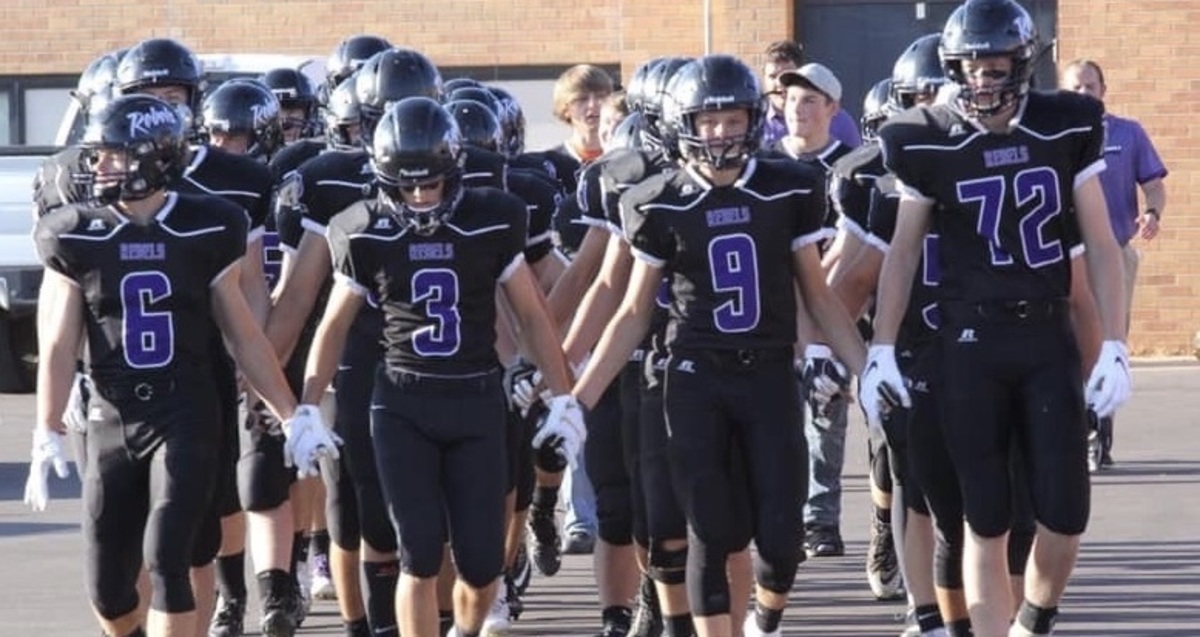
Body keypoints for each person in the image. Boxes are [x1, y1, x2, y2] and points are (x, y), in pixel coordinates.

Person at [575, 54, 866, 637]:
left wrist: (865, 367)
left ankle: (766, 614)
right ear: (685, 124)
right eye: (708, 121)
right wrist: (575, 400)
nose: (720, 133)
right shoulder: (657, 198)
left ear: (754, 120)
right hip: (693, 378)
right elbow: (633, 312)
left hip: (767, 375)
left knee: (782, 539)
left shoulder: (791, 185)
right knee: (710, 528)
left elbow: (818, 295)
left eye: (732, 120)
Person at [26, 93, 336, 637]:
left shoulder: (207, 224)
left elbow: (242, 333)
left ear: (154, 158)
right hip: (111, 414)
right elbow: (56, 341)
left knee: (168, 552)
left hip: (184, 409)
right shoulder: (73, 231)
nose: (99, 166)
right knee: (110, 592)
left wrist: (292, 415)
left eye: (114, 155)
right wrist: (46, 428)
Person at [866, 2, 1132, 635]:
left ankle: (1031, 623)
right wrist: (879, 347)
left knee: (1065, 513)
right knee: (982, 516)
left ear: (1022, 64)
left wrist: (1115, 344)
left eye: (994, 66)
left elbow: (1099, 241)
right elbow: (903, 254)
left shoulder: (1067, 123)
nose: (982, 80)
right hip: (967, 339)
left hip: (1044, 334)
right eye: (971, 68)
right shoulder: (923, 134)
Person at [300, 96, 584, 637]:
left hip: (476, 397)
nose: (420, 197)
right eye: (407, 185)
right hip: (402, 402)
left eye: (431, 183)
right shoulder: (362, 229)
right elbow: (333, 326)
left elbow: (531, 314)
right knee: (419, 554)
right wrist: (308, 407)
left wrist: (564, 394)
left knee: (481, 567)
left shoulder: (493, 217)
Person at [1060, 58, 1168, 470]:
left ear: (1103, 90)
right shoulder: (1053, 138)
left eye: (1090, 86)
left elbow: (1154, 186)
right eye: (1075, 87)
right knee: (1067, 343)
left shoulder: (1128, 133)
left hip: (1114, 255)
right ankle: (1077, 428)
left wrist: (1152, 213)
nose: (1083, 93)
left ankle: (1099, 430)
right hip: (1066, 255)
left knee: (1108, 342)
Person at [759, 40, 861, 149]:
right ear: (763, 78)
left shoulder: (839, 121)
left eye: (785, 75)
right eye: (772, 77)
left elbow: (856, 160)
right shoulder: (754, 122)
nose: (779, 83)